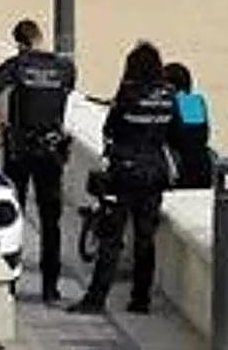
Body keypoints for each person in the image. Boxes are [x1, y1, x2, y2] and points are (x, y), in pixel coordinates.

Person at [70, 42, 176, 315]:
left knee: (112, 238)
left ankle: (96, 299)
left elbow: (111, 128)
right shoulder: (168, 94)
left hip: (126, 172)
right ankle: (141, 299)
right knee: (145, 238)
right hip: (154, 173)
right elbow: (172, 132)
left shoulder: (128, 93)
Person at [0, 19, 76, 304]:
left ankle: (9, 279)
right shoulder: (64, 67)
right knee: (51, 220)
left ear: (19, 43)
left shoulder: (18, 65)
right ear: (40, 37)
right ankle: (50, 287)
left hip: (19, 149)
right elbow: (67, 92)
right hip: (51, 150)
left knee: (15, 213)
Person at [164, 62, 214, 189]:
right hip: (203, 165)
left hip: (180, 168)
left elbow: (175, 136)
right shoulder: (195, 101)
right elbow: (199, 135)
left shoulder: (170, 104)